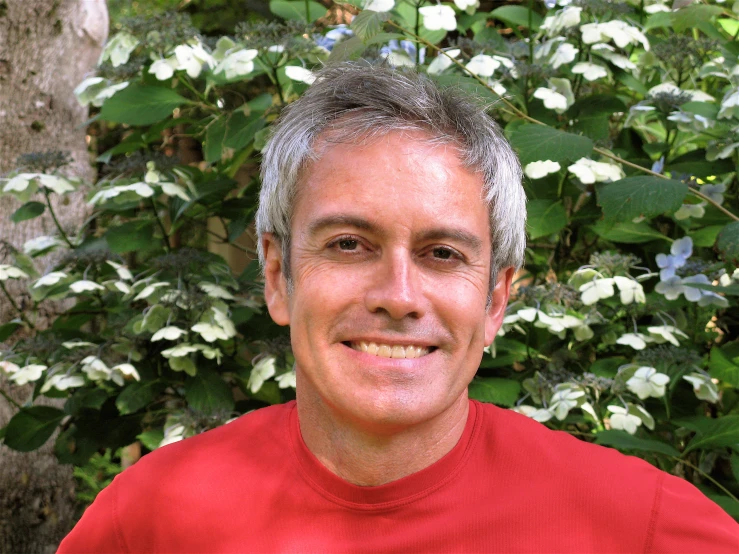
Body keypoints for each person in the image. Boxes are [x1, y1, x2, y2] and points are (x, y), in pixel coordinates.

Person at [59, 63, 737, 553]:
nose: (398, 297)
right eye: (350, 244)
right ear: (276, 275)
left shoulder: (636, 526)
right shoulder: (151, 519)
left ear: (496, 298)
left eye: (443, 253)